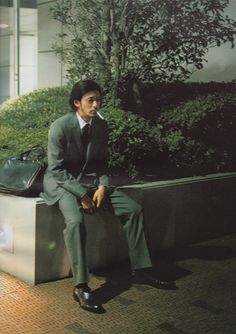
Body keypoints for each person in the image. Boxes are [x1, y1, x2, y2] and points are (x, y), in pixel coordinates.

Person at [41, 80, 176, 314]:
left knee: (133, 209)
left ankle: (142, 269)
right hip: (63, 184)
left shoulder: (101, 126)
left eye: (98, 100)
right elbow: (56, 170)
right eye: (90, 100)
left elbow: (102, 163)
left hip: (91, 182)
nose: (96, 105)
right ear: (77, 103)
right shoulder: (59, 127)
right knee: (75, 221)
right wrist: (82, 194)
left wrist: (103, 186)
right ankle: (81, 286)